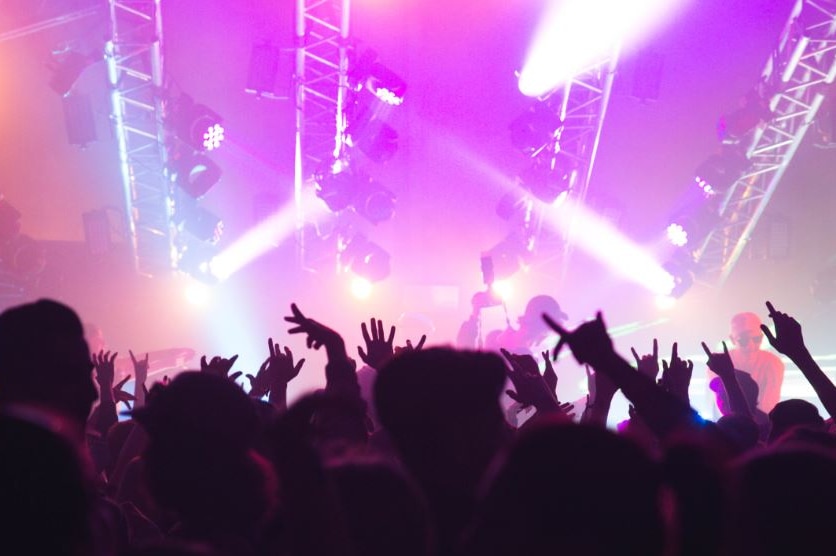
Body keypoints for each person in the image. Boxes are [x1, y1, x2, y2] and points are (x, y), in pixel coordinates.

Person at [724, 312, 784, 413]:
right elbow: (720, 400)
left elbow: (770, 401)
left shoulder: (773, 363)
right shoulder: (721, 363)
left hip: (761, 422)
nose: (751, 345)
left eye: (756, 339)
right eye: (743, 340)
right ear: (732, 339)